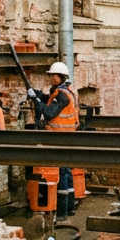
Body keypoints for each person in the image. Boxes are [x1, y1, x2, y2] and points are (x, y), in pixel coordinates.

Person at [30, 62, 79, 220]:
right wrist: (38, 94)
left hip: (60, 137)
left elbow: (50, 113)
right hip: (67, 136)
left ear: (62, 77)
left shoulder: (62, 95)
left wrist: (36, 101)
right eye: (51, 75)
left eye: (55, 76)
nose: (52, 78)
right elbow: (50, 100)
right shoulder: (65, 91)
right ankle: (69, 208)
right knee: (66, 170)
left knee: (62, 172)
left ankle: (62, 212)